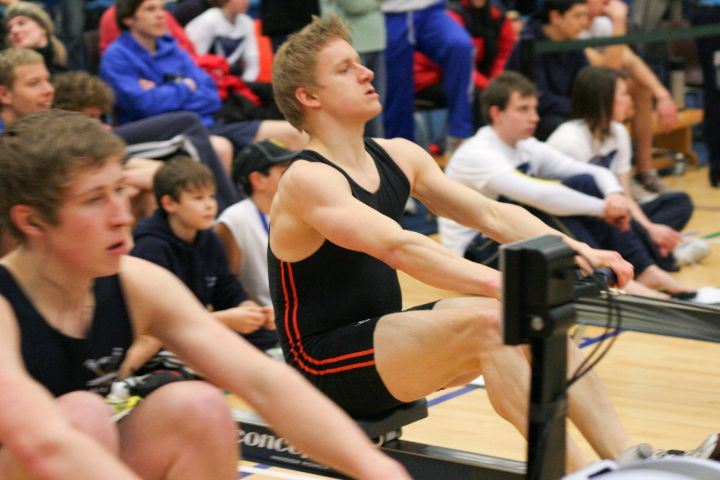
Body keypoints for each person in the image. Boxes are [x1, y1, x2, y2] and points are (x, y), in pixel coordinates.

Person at [267, 15, 709, 472]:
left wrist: (577, 249)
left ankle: (628, 462)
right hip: (320, 364)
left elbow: (490, 214)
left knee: (530, 323)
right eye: (345, 69)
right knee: (491, 322)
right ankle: (579, 473)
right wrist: (508, 286)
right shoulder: (308, 180)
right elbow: (400, 248)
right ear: (309, 97)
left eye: (360, 62)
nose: (366, 72)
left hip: (382, 340)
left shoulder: (399, 154)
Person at [0, 109, 410, 480]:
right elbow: (43, 443)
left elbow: (265, 383)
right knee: (83, 415)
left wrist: (375, 467)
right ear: (32, 221)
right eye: (94, 200)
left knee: (198, 406)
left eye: (120, 190)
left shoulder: (137, 283)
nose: (121, 215)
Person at [439, 71, 694, 297]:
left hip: (508, 236)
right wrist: (603, 208)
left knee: (584, 183)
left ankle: (642, 269)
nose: (534, 117)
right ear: (496, 113)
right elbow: (539, 195)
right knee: (536, 206)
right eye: (523, 109)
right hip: (475, 252)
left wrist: (614, 196)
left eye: (535, 109)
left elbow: (593, 172)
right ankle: (610, 274)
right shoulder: (479, 152)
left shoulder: (526, 146)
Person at [100, 0, 306, 156]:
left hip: (209, 122)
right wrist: (185, 87)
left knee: (295, 133)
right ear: (128, 19)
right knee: (220, 148)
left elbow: (211, 94)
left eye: (162, 8)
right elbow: (144, 105)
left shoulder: (173, 49)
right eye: (150, 9)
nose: (161, 15)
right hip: (163, 133)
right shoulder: (116, 56)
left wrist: (163, 91)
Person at [547, 66, 703, 271]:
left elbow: (625, 195)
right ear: (603, 99)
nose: (630, 101)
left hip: (616, 213)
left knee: (680, 202)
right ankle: (662, 258)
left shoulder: (618, 132)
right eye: (623, 95)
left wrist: (650, 227)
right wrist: (643, 228)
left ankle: (647, 251)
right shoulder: (569, 140)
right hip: (585, 219)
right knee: (626, 224)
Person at [131, 156, 278, 353]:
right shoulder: (150, 247)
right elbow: (158, 326)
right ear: (169, 203)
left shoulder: (208, 237)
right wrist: (226, 319)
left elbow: (226, 287)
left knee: (274, 339)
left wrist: (248, 308)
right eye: (198, 198)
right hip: (163, 344)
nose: (210, 205)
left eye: (212, 196)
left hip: (200, 327)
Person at [583, 0, 679, 195]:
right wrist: (619, 22)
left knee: (641, 87)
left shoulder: (601, 24)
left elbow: (631, 60)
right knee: (616, 96)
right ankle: (620, 176)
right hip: (576, 96)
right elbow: (606, 72)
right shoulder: (575, 26)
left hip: (595, 91)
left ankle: (645, 171)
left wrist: (663, 95)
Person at [382, 0, 474, 150]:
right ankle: (399, 152)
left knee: (461, 46)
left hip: (431, 10)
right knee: (396, 91)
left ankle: (460, 134)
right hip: (390, 14)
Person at [413, 0, 517, 130]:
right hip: (430, 78)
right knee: (478, 96)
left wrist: (497, 83)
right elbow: (454, 63)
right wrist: (489, 87)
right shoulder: (451, 14)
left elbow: (505, 53)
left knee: (513, 92)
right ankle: (470, 137)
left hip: (472, 77)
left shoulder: (498, 14)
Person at [216, 139, 293, 307]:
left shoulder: (298, 209)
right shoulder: (235, 219)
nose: (294, 178)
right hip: (266, 315)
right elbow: (226, 286)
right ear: (258, 180)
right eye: (284, 172)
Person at [505, 0, 590, 140]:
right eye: (577, 16)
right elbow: (540, 99)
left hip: (565, 112)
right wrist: (579, 110)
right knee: (565, 129)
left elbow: (587, 83)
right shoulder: (529, 44)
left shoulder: (573, 43)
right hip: (534, 118)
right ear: (555, 17)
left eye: (585, 16)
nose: (584, 23)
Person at [185, 0, 260, 81]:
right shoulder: (209, 19)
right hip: (207, 79)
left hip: (233, 80)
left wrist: (244, 83)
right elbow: (194, 59)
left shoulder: (247, 22)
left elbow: (252, 62)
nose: (246, 1)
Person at [5, 1, 67, 74]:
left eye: (21, 23)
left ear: (42, 27)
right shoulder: (7, 72)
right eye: (9, 28)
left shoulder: (64, 71)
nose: (14, 30)